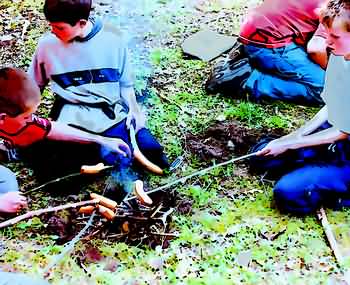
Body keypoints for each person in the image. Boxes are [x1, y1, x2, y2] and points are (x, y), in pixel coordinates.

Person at [28, 0, 169, 180]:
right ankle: (92, 155)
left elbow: (125, 84)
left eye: (60, 28)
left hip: (109, 114)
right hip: (72, 116)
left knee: (153, 154)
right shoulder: (47, 45)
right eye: (51, 26)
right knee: (54, 175)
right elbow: (33, 87)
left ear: (82, 24)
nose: (53, 32)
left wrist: (134, 109)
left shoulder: (113, 39)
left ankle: (101, 155)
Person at [249, 0, 350, 215]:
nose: (328, 43)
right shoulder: (340, 57)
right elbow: (331, 107)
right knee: (260, 156)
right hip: (338, 138)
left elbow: (343, 130)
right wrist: (291, 138)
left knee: (288, 194)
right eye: (328, 35)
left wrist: (293, 144)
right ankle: (316, 165)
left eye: (336, 37)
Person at [0, 67, 130, 213]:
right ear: (3, 118)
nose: (31, 120)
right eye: (26, 117)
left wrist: (102, 140)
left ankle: (10, 147)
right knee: (7, 183)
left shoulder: (14, 118)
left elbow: (52, 129)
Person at [206, 0, 329, 106]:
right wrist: (330, 71)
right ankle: (245, 80)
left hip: (256, 30)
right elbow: (316, 48)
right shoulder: (338, 9)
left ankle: (248, 58)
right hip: (269, 44)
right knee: (326, 90)